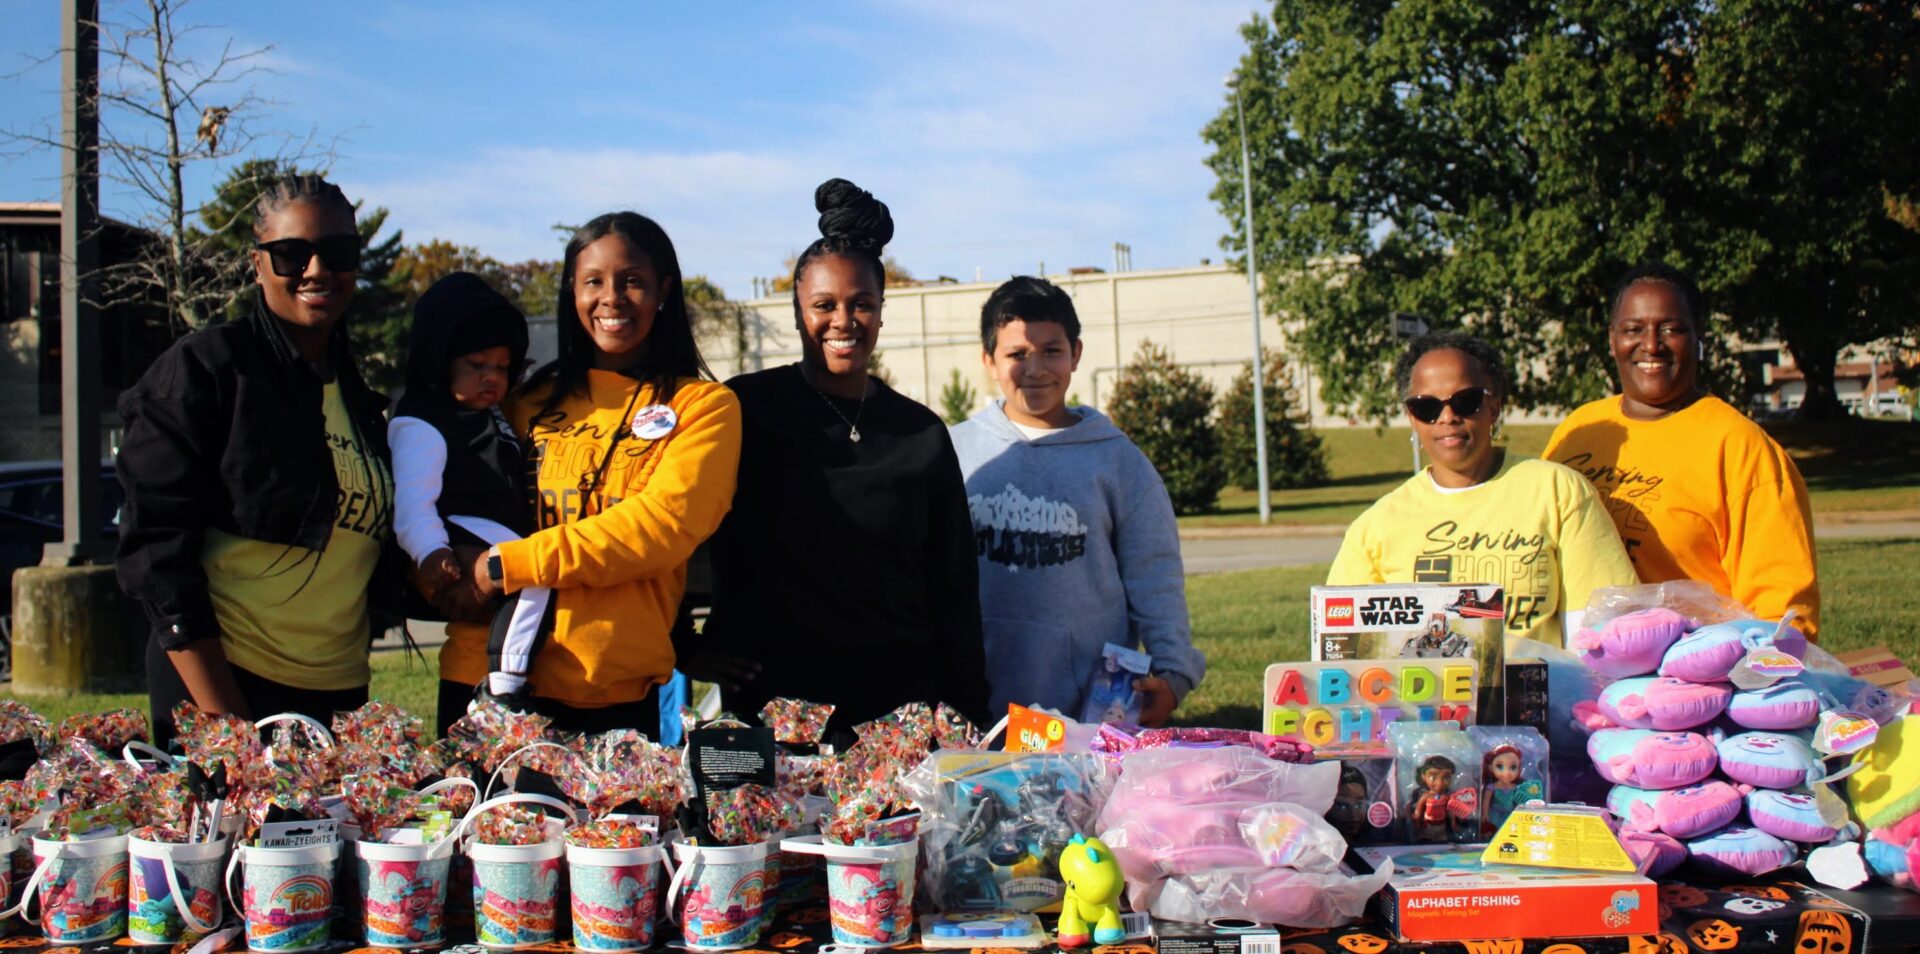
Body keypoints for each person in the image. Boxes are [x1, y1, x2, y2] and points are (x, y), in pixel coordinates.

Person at [428, 212, 741, 737]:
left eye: (632, 281)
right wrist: (438, 568)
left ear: (663, 290)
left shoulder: (703, 407)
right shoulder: (523, 401)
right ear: (572, 292)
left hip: (609, 687)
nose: (611, 298)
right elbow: (448, 494)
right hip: (480, 672)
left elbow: (656, 530)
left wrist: (506, 565)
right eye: (593, 281)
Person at [696, 178, 990, 733]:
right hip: (776, 712)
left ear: (881, 312)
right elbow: (666, 522)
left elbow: (954, 589)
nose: (843, 321)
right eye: (824, 305)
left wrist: (969, 713)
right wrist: (681, 647)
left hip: (898, 716)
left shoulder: (921, 432)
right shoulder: (744, 410)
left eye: (862, 305)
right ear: (797, 312)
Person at [117, 174, 397, 745]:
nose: (316, 270)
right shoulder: (210, 370)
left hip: (340, 693)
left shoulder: (361, 400)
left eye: (338, 252)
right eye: (292, 253)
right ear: (257, 264)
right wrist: (230, 726)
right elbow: (155, 553)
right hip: (228, 688)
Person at [947, 276, 1203, 726]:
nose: (1035, 369)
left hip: (1087, 719)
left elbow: (1155, 576)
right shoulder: (954, 451)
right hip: (969, 713)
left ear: (1076, 354)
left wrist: (1173, 673)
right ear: (988, 361)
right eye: (1016, 354)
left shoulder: (1118, 461)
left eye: (1051, 351)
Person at [1544, 263, 1820, 634]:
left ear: (1698, 338)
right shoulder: (1578, 430)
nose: (1651, 345)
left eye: (1671, 329)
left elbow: (1783, 610)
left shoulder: (1741, 447)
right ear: (1612, 339)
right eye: (1633, 329)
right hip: (1576, 658)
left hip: (1688, 662)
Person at [1327, 332, 1636, 647]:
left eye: (1466, 402)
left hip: (1546, 679)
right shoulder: (1376, 526)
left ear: (1494, 408)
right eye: (1426, 407)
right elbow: (1344, 644)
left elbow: (1598, 632)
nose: (1448, 417)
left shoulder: (1557, 491)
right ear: (1411, 418)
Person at [388, 272, 550, 709]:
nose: (491, 378)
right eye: (477, 365)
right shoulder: (422, 420)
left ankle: (508, 669)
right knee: (532, 572)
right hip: (460, 525)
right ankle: (506, 678)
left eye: (501, 367)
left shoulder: (490, 412)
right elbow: (413, 502)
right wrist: (430, 551)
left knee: (530, 572)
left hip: (491, 528)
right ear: (441, 361)